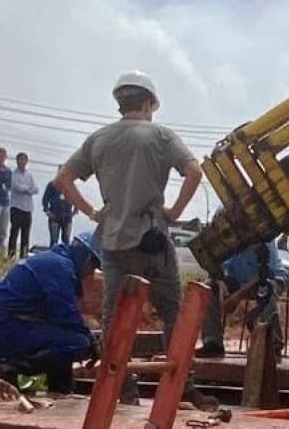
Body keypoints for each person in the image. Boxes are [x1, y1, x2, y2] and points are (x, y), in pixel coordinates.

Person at [54, 70, 216, 410]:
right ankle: (181, 388)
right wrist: (173, 212)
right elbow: (195, 172)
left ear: (120, 102)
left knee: (115, 317)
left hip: (113, 242)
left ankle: (121, 389)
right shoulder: (161, 137)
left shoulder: (99, 139)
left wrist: (92, 212)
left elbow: (64, 178)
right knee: (171, 311)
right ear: (148, 103)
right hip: (152, 239)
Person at [0, 232, 101, 395]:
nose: (91, 273)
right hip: (4, 329)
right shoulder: (59, 267)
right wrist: (91, 341)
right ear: (85, 258)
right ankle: (10, 368)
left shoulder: (54, 261)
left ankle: (61, 390)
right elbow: (65, 314)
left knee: (67, 338)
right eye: (93, 266)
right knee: (78, 343)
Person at [196, 232, 289, 359]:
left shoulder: (263, 232)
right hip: (238, 280)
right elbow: (217, 268)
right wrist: (222, 285)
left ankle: (274, 343)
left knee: (266, 290)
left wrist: (237, 296)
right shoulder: (223, 234)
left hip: (268, 278)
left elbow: (265, 274)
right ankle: (213, 343)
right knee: (210, 287)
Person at [9, 152, 39, 259]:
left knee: (26, 234)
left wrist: (27, 189)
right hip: (16, 207)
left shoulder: (29, 175)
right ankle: (11, 255)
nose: (22, 162)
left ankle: (23, 256)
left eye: (24, 160)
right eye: (20, 160)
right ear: (17, 161)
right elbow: (17, 187)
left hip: (28, 208)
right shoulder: (13, 174)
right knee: (14, 232)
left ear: (27, 162)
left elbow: (36, 189)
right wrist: (28, 189)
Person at [42, 167, 75, 246]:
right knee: (54, 240)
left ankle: (65, 258)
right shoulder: (52, 185)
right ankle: (52, 257)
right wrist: (47, 211)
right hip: (55, 216)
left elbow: (77, 198)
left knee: (66, 241)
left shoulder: (71, 185)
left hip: (67, 216)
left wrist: (75, 211)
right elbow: (45, 199)